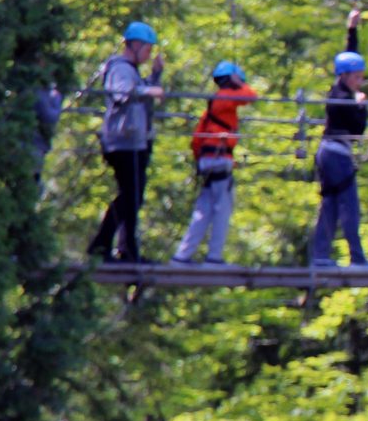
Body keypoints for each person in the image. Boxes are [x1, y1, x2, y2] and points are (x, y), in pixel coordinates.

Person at [88, 22, 165, 263]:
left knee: (133, 197)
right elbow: (122, 93)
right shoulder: (120, 68)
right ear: (135, 45)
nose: (149, 55)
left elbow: (139, 90)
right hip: (122, 142)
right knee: (130, 196)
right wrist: (149, 91)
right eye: (148, 49)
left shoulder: (131, 71)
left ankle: (122, 249)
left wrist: (155, 76)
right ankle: (108, 247)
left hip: (134, 142)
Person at [171, 61, 259, 266]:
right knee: (223, 209)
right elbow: (251, 96)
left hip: (208, 161)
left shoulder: (212, 108)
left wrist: (200, 161)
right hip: (219, 159)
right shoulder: (225, 98)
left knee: (204, 210)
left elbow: (196, 141)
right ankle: (214, 257)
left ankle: (182, 256)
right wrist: (240, 83)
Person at [311, 9, 368, 268]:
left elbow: (350, 57)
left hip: (330, 153)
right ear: (345, 76)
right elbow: (359, 129)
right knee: (349, 205)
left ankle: (320, 257)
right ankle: (356, 258)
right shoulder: (342, 99)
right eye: (357, 77)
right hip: (337, 155)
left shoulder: (340, 89)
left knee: (331, 206)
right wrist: (361, 107)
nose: (360, 81)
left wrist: (352, 29)